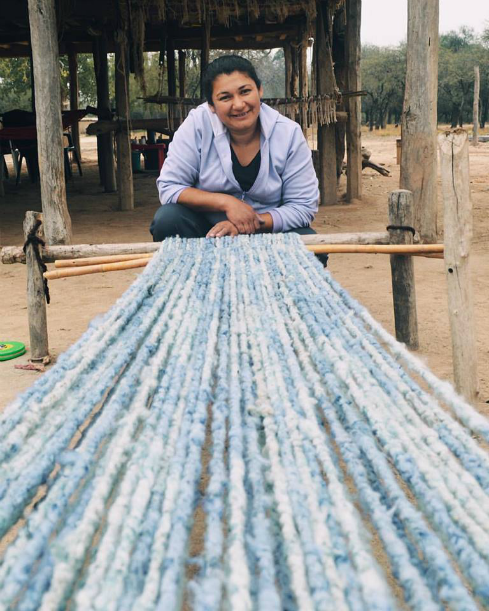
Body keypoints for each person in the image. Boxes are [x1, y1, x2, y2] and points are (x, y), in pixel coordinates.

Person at [150, 54, 321, 245]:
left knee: (310, 244)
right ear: (211, 106)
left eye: (245, 91)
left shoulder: (288, 134)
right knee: (168, 220)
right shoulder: (197, 125)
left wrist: (249, 222)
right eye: (225, 97)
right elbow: (169, 187)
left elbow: (302, 207)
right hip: (207, 232)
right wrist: (227, 202)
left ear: (260, 90)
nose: (239, 105)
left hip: (266, 229)